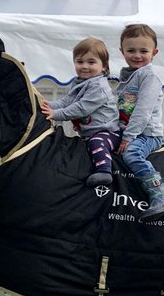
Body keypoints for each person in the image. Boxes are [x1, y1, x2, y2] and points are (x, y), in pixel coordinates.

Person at [115, 23, 164, 221]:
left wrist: (128, 137)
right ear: (122, 51)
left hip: (147, 134)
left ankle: (161, 197)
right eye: (131, 50)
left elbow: (142, 112)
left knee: (132, 155)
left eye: (143, 51)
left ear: (154, 52)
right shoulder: (126, 78)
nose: (137, 55)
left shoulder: (149, 77)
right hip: (131, 132)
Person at [41, 38, 120, 187]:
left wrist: (56, 114)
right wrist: (45, 105)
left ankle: (104, 171)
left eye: (91, 62)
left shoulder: (99, 87)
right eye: (80, 62)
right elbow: (66, 102)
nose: (84, 66)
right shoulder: (79, 83)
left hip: (108, 132)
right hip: (88, 133)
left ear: (104, 66)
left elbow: (81, 108)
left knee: (97, 142)